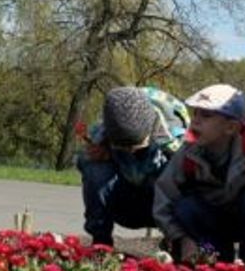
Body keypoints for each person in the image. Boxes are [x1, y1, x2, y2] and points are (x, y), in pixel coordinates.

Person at [153, 84, 245, 268]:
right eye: (195, 113)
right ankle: (212, 264)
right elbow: (162, 199)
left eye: (206, 115)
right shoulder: (186, 155)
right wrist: (180, 238)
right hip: (210, 223)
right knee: (185, 207)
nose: (195, 121)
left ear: (230, 127)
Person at [77, 86, 188, 246]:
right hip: (126, 203)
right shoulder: (110, 121)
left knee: (182, 172)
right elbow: (84, 165)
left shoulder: (174, 131)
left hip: (163, 202)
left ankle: (178, 242)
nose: (130, 151)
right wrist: (100, 156)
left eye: (136, 147)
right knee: (95, 169)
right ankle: (101, 244)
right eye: (123, 148)